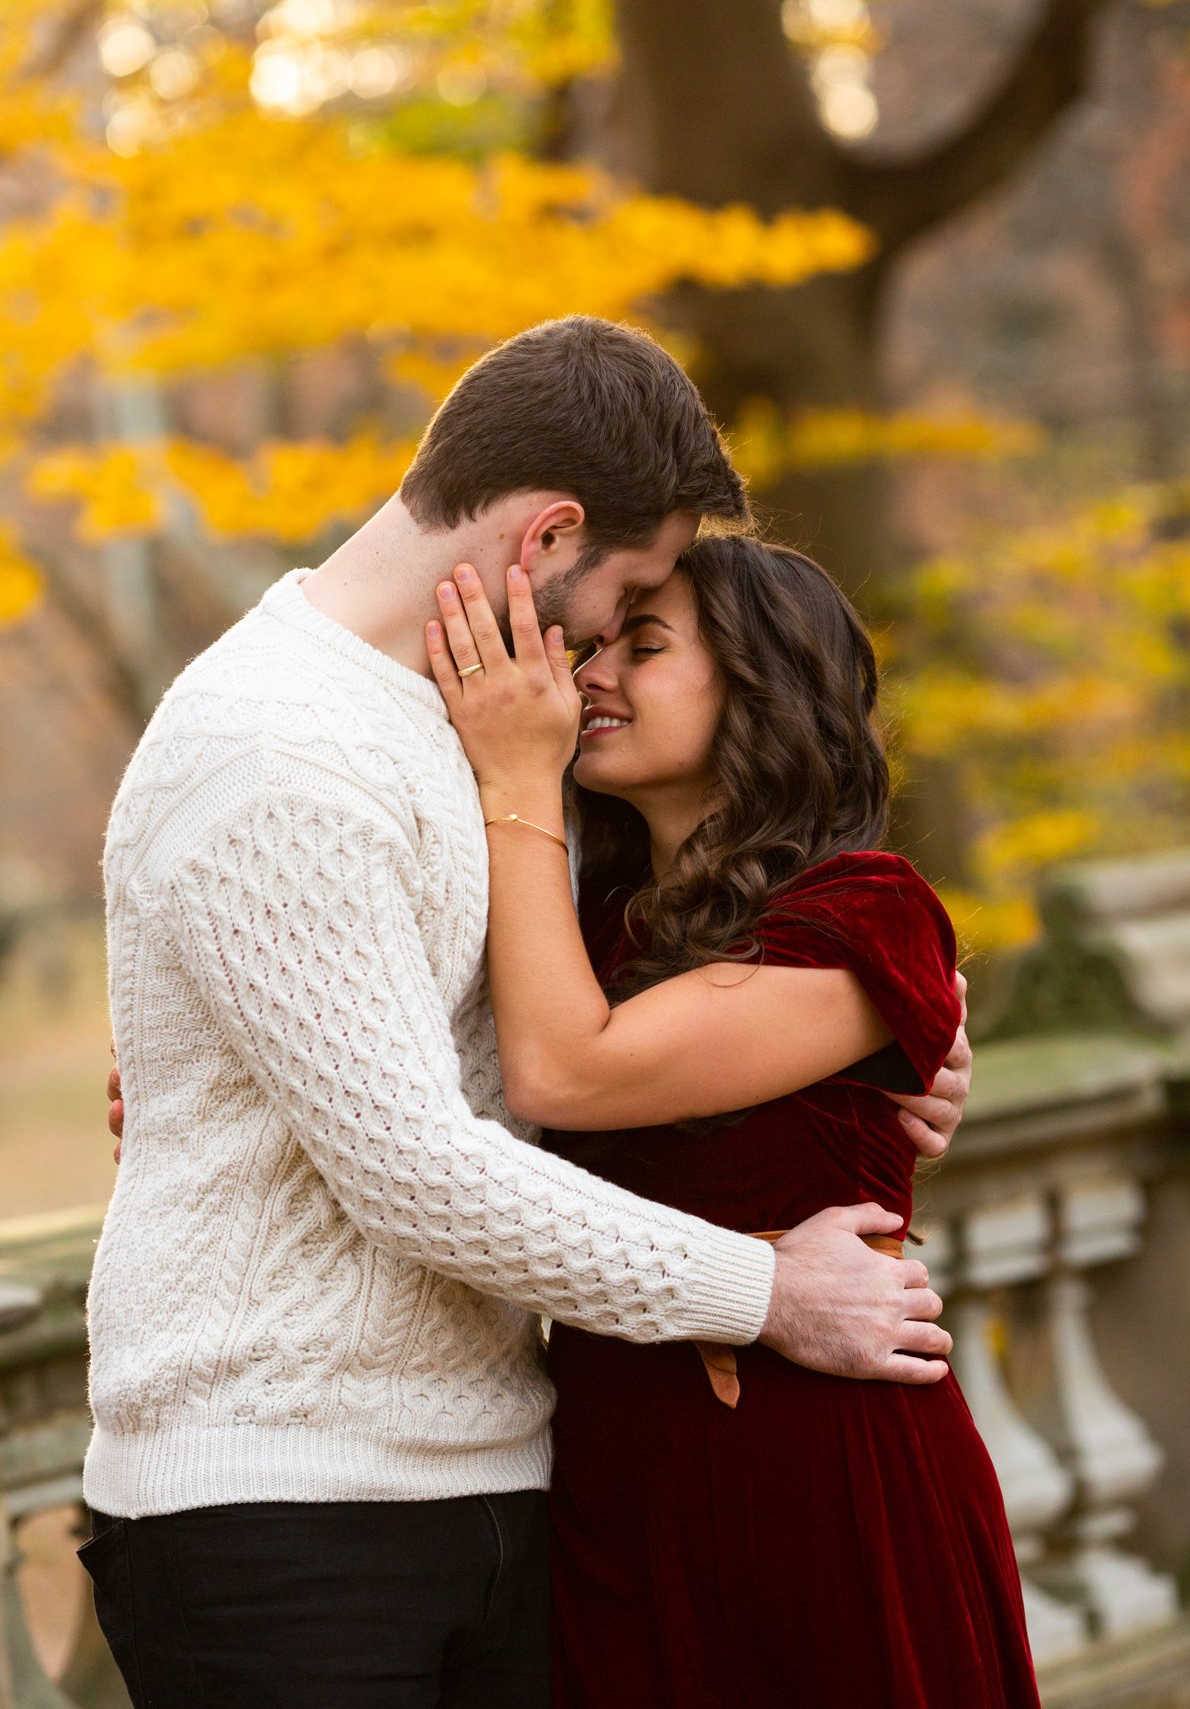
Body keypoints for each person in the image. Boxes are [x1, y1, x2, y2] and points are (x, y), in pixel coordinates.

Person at [83, 317, 966, 1709]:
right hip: (284, 1512)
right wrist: (765, 1289)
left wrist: (887, 1046)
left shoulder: (502, 731)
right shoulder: (277, 746)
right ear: (551, 535)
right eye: (631, 596)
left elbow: (550, 1040)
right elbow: (419, 1165)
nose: (605, 650)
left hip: (516, 1477)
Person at [421, 534, 1039, 1705]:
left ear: (763, 688)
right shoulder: (583, 921)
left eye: (641, 649)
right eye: (589, 646)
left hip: (816, 1464)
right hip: (612, 1465)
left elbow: (562, 1076)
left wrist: (513, 780)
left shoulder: (868, 907)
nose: (588, 678)